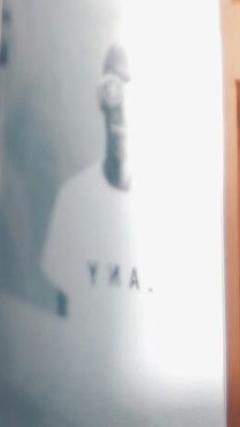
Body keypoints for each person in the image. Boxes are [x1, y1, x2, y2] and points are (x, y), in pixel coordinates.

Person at [39, 44, 159, 325]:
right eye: (112, 86)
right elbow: (62, 317)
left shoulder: (169, 216)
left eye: (131, 88)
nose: (121, 104)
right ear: (101, 98)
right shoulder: (72, 199)